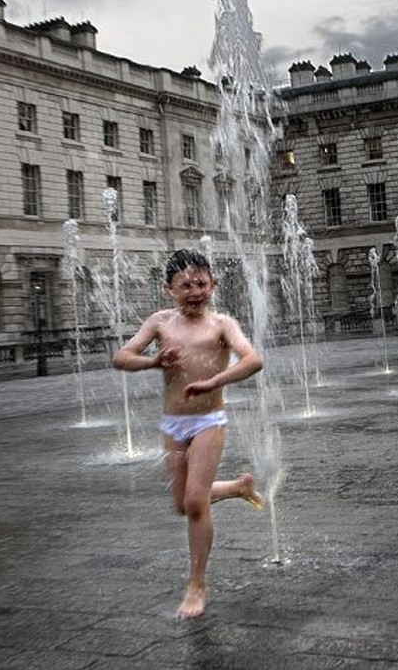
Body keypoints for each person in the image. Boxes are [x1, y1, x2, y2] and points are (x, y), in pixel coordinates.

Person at [113, 248, 264, 619]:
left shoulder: (222, 324)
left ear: (213, 285)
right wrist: (153, 361)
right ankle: (238, 487)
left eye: (201, 283)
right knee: (182, 503)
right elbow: (121, 357)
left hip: (208, 421)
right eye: (185, 285)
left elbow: (253, 360)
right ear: (170, 290)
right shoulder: (161, 322)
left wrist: (215, 379)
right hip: (173, 424)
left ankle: (197, 582)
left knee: (195, 503)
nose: (195, 291)